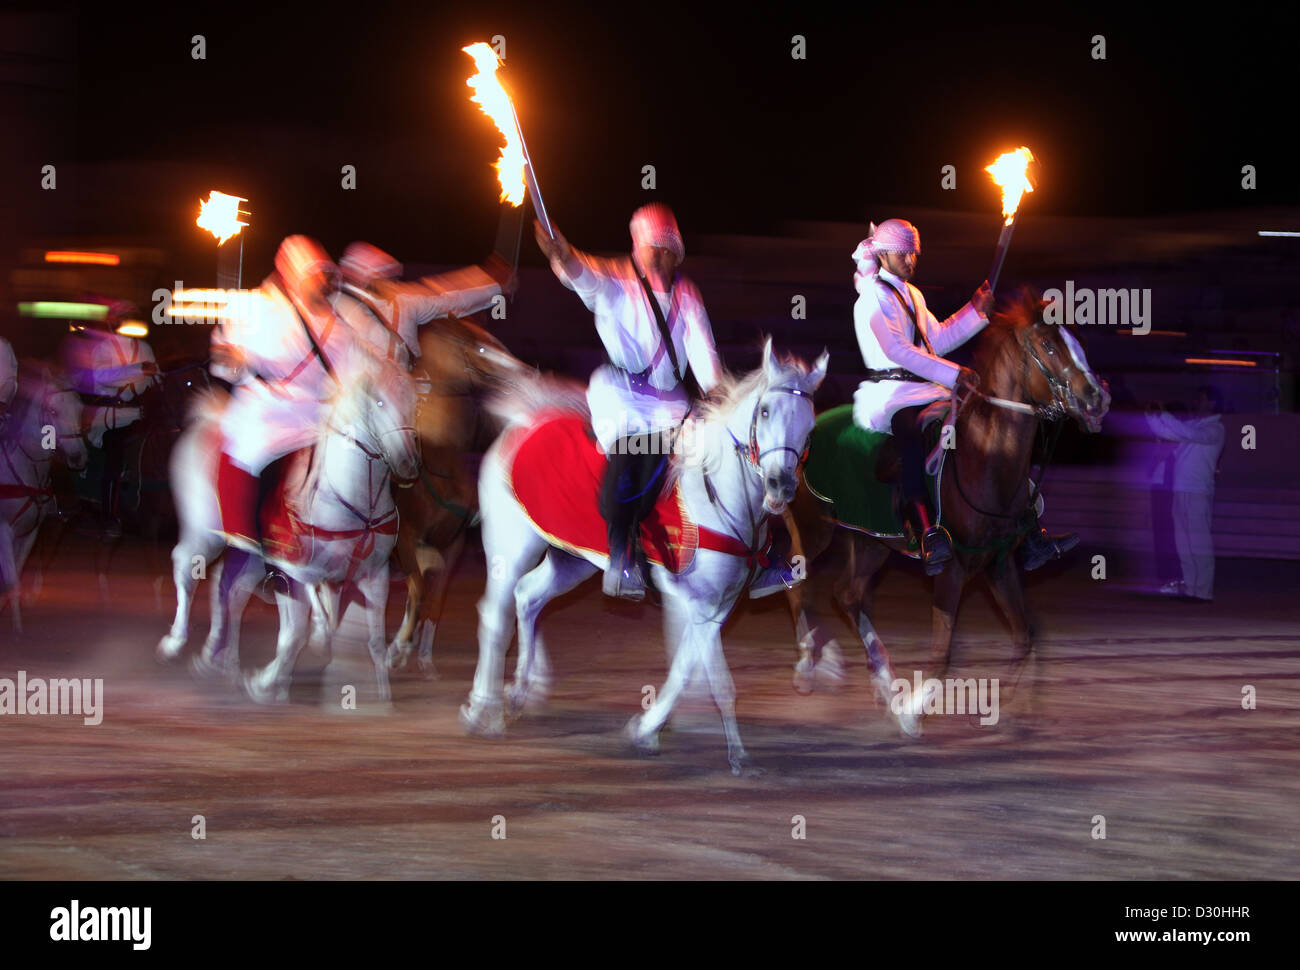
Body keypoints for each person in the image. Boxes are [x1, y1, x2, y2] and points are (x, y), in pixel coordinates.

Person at [535, 204, 793, 600]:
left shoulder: (687, 294)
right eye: (650, 247)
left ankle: (758, 556)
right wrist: (563, 254)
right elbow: (581, 275)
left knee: (728, 451)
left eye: (664, 248)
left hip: (671, 400)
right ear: (638, 248)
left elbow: (702, 348)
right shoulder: (615, 279)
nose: (656, 255)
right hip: (621, 396)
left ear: (676, 253)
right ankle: (622, 553)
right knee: (634, 450)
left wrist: (717, 391)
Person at [211, 235, 362, 561]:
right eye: (316, 274)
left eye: (326, 274)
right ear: (295, 275)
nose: (324, 281)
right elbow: (229, 366)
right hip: (267, 409)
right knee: (248, 454)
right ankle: (248, 536)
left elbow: (349, 376)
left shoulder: (339, 325)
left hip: (320, 415)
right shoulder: (256, 307)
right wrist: (234, 360)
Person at [59, 302, 158, 533]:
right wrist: (137, 370)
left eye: (129, 316)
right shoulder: (102, 348)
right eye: (122, 316)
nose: (125, 320)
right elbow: (102, 377)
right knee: (115, 452)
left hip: (141, 415)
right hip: (112, 419)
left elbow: (155, 379)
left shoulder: (145, 347)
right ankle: (109, 516)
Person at [334, 242, 509, 369]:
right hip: (364, 402)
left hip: (406, 397)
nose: (388, 282)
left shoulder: (403, 302)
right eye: (382, 276)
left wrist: (493, 286)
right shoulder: (337, 308)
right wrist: (494, 286)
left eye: (387, 276)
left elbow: (450, 301)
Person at [1145, 387, 1225, 601]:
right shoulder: (1194, 425)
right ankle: (1191, 590)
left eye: (1202, 399)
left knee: (1200, 544)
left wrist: (1164, 414)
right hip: (1180, 489)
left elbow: (1185, 433)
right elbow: (1168, 432)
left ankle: (1204, 591)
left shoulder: (1216, 429)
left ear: (1213, 403)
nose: (1198, 402)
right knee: (1184, 543)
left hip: (1198, 491)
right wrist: (1152, 416)